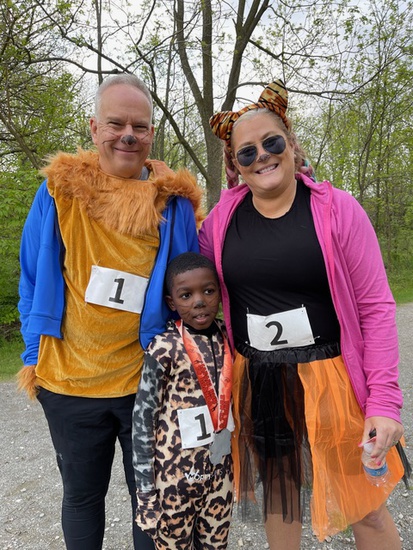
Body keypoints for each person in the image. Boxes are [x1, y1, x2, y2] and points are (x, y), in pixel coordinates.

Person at [198, 79, 410, 549]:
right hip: (260, 380)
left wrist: (383, 402)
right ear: (235, 164)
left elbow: (376, 308)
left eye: (271, 143)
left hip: (331, 380)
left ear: (291, 144)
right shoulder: (220, 222)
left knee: (365, 507)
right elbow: (190, 282)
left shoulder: (339, 210)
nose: (262, 156)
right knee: (281, 499)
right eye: (247, 152)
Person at [17, 73, 204, 550]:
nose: (128, 135)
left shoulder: (174, 203)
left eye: (139, 127)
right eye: (116, 124)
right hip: (69, 382)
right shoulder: (59, 191)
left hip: (148, 383)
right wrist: (35, 355)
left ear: (152, 134)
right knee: (82, 497)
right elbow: (32, 278)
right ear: (94, 127)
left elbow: (191, 288)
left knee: (152, 498)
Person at [132, 252, 234, 549]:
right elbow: (143, 421)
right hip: (174, 478)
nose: (199, 301)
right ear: (172, 302)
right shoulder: (163, 347)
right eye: (186, 295)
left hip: (220, 473)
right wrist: (146, 493)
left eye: (208, 291)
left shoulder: (228, 338)